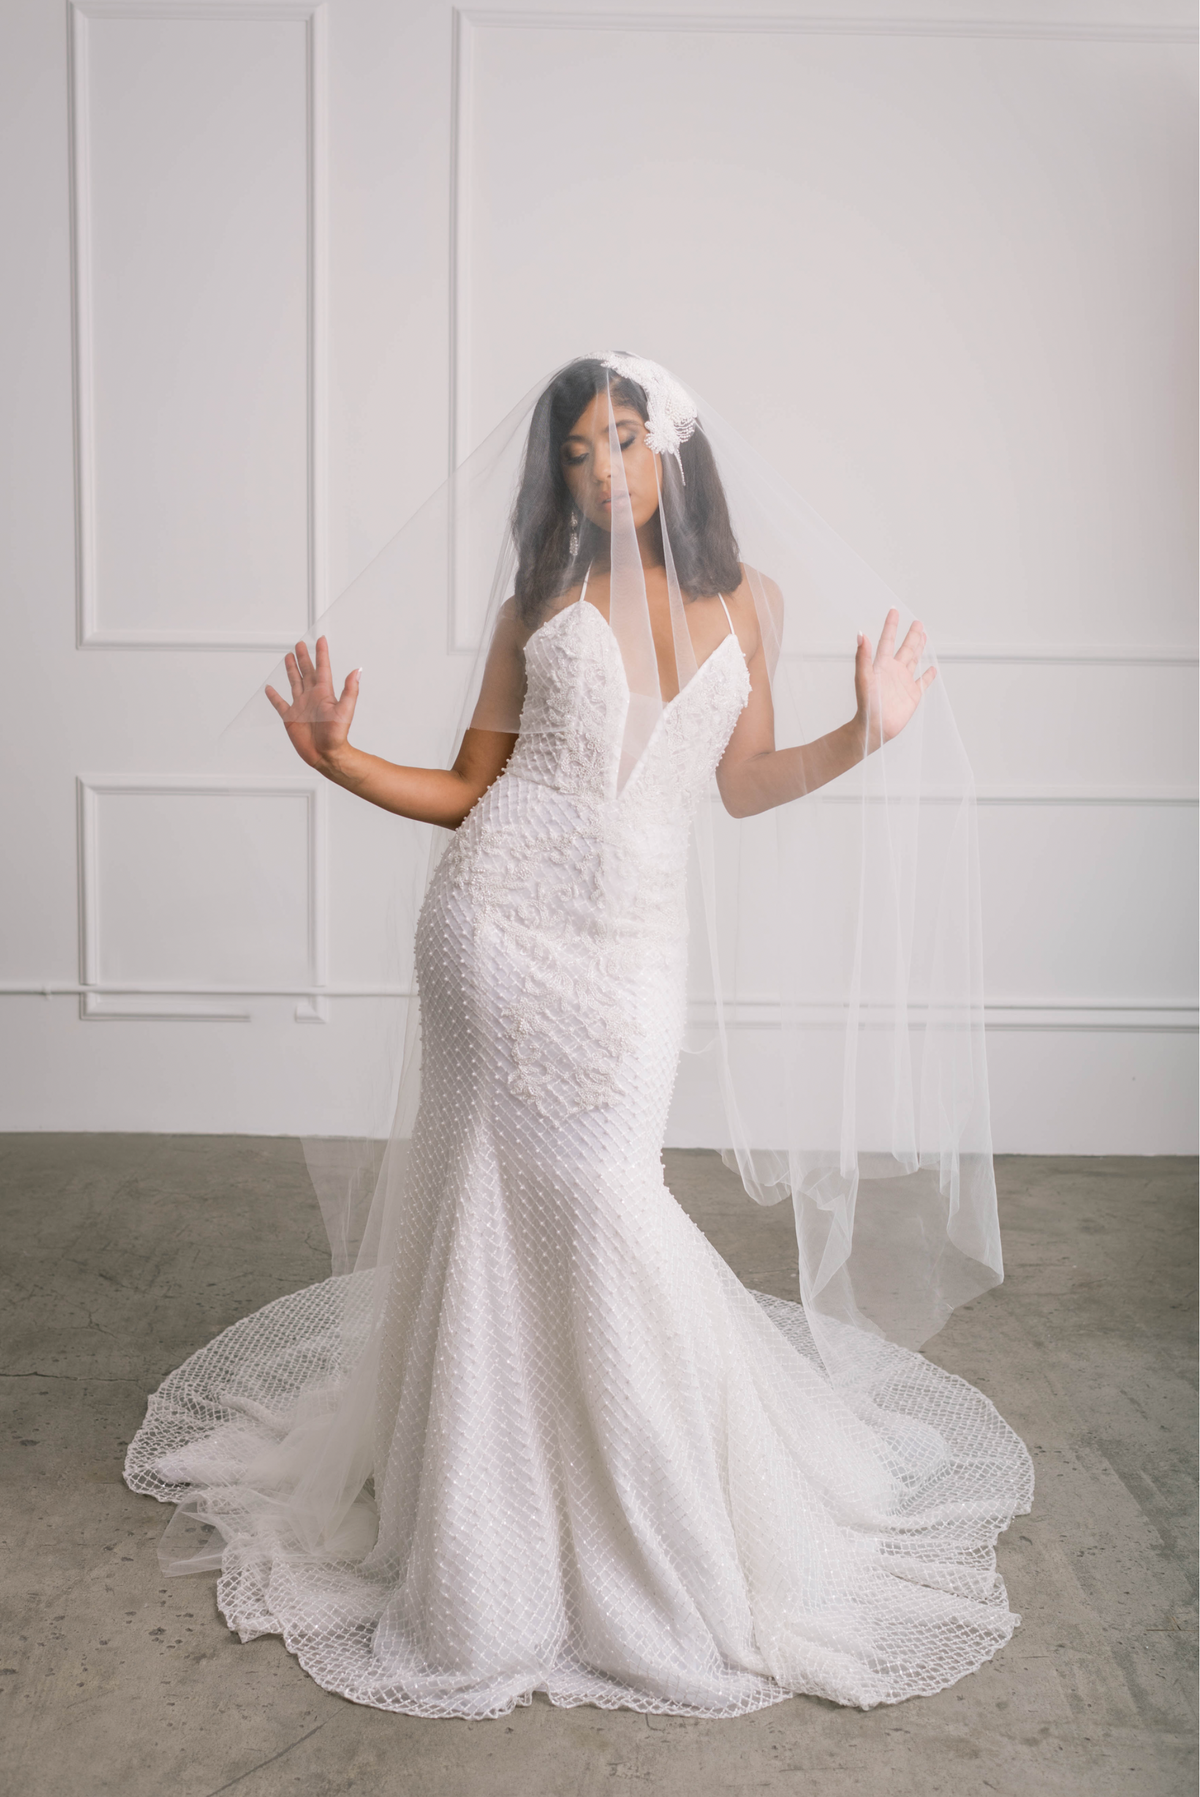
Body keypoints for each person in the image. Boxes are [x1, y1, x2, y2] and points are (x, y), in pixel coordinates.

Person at [125, 355, 1033, 1719]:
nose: (603, 471)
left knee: (604, 1199)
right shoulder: (537, 604)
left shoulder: (750, 602)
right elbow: (467, 789)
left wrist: (870, 732)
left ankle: (632, 1499)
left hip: (631, 955)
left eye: (625, 441)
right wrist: (337, 760)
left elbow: (742, 783)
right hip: (492, 929)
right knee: (497, 1203)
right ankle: (486, 1516)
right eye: (576, 453)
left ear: (675, 452)